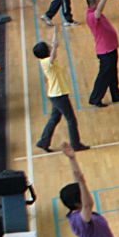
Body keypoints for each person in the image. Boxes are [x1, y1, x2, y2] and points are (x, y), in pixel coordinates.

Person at [34, 22, 87, 151]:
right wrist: (55, 45)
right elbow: (53, 54)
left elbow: (53, 51)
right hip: (59, 94)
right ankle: (76, 144)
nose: (50, 46)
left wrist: (55, 34)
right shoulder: (46, 62)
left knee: (54, 118)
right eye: (48, 46)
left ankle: (43, 142)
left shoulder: (46, 61)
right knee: (71, 120)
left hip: (55, 94)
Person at [83, 0, 119, 107]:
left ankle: (116, 95)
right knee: (104, 75)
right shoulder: (92, 16)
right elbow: (101, 6)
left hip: (111, 47)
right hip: (105, 50)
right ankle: (95, 98)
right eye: (98, 2)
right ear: (94, 4)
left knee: (113, 73)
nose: (100, 4)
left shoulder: (95, 13)